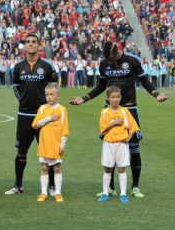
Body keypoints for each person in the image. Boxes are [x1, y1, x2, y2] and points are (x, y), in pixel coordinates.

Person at [70, 41, 169, 198]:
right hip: (110, 111)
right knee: (111, 147)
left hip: (129, 109)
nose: (112, 63)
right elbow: (101, 86)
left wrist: (156, 94)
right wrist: (85, 98)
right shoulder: (103, 64)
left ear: (119, 51)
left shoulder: (132, 60)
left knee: (134, 149)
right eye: (109, 61)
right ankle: (110, 188)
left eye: (114, 59)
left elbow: (144, 80)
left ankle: (135, 187)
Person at [6, 34, 58, 195]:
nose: (30, 44)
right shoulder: (18, 67)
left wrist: (48, 106)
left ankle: (51, 186)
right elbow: (15, 86)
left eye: (33, 42)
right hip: (24, 114)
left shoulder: (48, 66)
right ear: (24, 46)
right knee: (21, 150)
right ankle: (18, 185)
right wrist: (22, 100)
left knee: (48, 151)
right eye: (27, 42)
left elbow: (54, 88)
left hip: (44, 115)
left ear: (38, 45)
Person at [97, 86, 140, 203]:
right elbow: (102, 130)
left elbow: (133, 127)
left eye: (117, 97)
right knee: (108, 168)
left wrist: (128, 138)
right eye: (113, 97)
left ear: (121, 98)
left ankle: (123, 194)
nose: (115, 99)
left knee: (121, 168)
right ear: (108, 98)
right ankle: (105, 193)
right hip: (108, 144)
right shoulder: (104, 112)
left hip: (121, 144)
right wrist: (114, 123)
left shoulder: (125, 112)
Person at [32, 83, 69, 203]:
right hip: (44, 144)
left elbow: (65, 129)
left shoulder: (62, 109)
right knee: (44, 167)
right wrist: (49, 119)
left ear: (58, 95)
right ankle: (43, 192)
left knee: (57, 168)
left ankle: (58, 193)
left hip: (56, 144)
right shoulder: (42, 108)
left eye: (52, 94)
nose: (49, 97)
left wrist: (62, 145)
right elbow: (36, 124)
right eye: (47, 94)